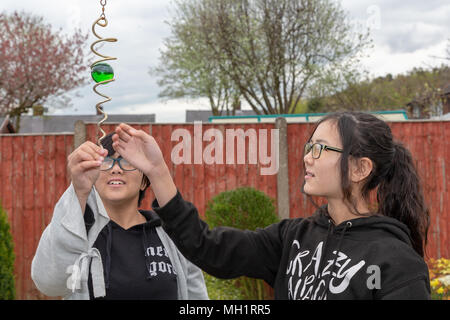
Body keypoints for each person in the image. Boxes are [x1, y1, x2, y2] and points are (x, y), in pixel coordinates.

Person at [110, 111, 431, 300]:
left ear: (360, 169)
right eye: (309, 146)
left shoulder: (397, 264)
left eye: (321, 149)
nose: (307, 156)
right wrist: (158, 172)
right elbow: (207, 246)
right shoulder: (293, 239)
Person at [31, 132, 208, 300]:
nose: (116, 169)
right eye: (106, 161)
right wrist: (78, 190)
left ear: (144, 181)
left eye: (127, 161)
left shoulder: (172, 235)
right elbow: (49, 284)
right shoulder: (76, 233)